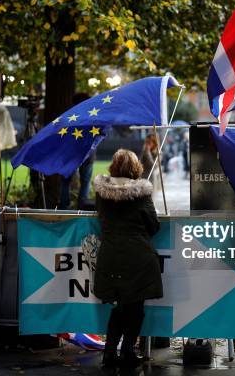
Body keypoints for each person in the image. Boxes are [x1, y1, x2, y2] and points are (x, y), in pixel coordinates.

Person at [93, 149, 163, 368]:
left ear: (113, 167)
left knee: (119, 306)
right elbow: (153, 226)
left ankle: (109, 353)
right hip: (138, 258)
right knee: (135, 307)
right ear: (136, 168)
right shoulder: (141, 193)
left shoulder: (101, 193)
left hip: (110, 256)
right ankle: (128, 353)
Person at [59, 92, 95, 209]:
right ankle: (81, 207)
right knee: (85, 182)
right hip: (88, 154)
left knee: (65, 182)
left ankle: (64, 207)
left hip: (70, 153)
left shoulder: (69, 116)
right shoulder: (93, 115)